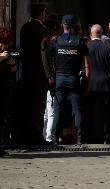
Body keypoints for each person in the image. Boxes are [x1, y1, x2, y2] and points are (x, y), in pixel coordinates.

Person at [51, 15, 90, 145]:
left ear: (62, 25)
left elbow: (50, 60)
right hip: (74, 78)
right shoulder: (80, 42)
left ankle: (55, 137)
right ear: (74, 26)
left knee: (58, 109)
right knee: (77, 110)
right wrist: (87, 82)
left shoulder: (56, 41)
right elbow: (87, 65)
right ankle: (79, 139)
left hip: (60, 78)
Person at [20, 3, 49, 144]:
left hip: (26, 72)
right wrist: (49, 75)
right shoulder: (42, 30)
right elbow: (45, 56)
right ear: (41, 13)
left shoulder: (25, 28)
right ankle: (37, 136)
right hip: (39, 74)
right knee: (39, 105)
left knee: (28, 104)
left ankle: (26, 134)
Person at [87, 24, 110, 143]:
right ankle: (106, 137)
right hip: (106, 84)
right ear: (101, 34)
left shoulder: (87, 47)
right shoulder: (109, 48)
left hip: (90, 84)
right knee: (106, 113)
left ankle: (90, 137)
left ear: (91, 34)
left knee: (90, 112)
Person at [0, 27, 16, 156]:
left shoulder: (7, 53)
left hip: (5, 87)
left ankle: (3, 143)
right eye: (2, 42)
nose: (3, 46)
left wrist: (12, 64)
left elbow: (12, 72)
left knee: (4, 117)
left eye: (5, 43)